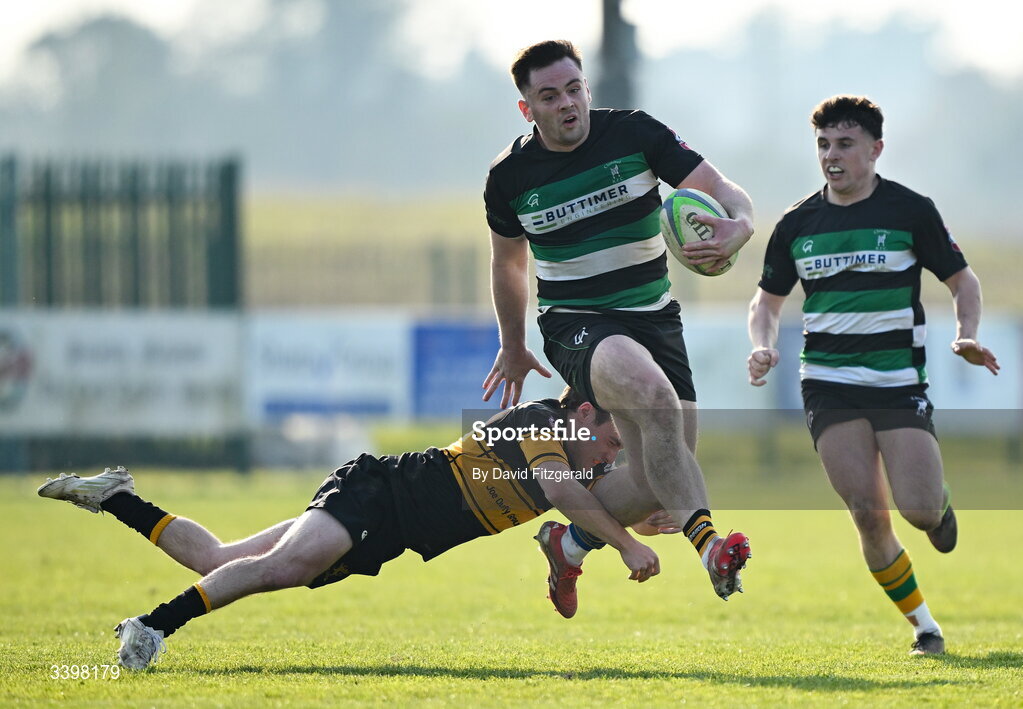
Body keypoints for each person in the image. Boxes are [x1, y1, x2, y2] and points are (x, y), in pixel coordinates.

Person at [38, 389, 675, 670]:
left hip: (389, 529)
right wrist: (626, 545)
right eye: (611, 443)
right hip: (381, 493)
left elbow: (599, 502)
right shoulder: (541, 423)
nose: (610, 458)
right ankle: (150, 628)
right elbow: (565, 494)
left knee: (219, 561)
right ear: (584, 413)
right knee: (283, 570)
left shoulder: (573, 454)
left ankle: (118, 498)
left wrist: (661, 519)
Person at [482, 39, 754, 615]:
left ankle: (569, 541)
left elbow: (722, 189)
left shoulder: (635, 134)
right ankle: (709, 548)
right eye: (549, 96)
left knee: (662, 474)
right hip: (575, 324)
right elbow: (509, 262)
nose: (567, 104)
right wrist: (512, 344)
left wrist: (741, 224)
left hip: (654, 318)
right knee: (655, 399)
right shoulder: (510, 176)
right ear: (527, 108)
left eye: (574, 89)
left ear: (586, 89)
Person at [747, 95, 1000, 656]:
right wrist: (762, 346)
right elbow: (765, 302)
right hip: (828, 384)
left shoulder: (910, 211)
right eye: (822, 145)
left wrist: (966, 333)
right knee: (867, 513)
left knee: (918, 510)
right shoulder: (797, 224)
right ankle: (925, 627)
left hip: (896, 382)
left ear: (875, 149)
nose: (831, 156)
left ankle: (937, 501)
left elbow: (964, 282)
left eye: (844, 144)